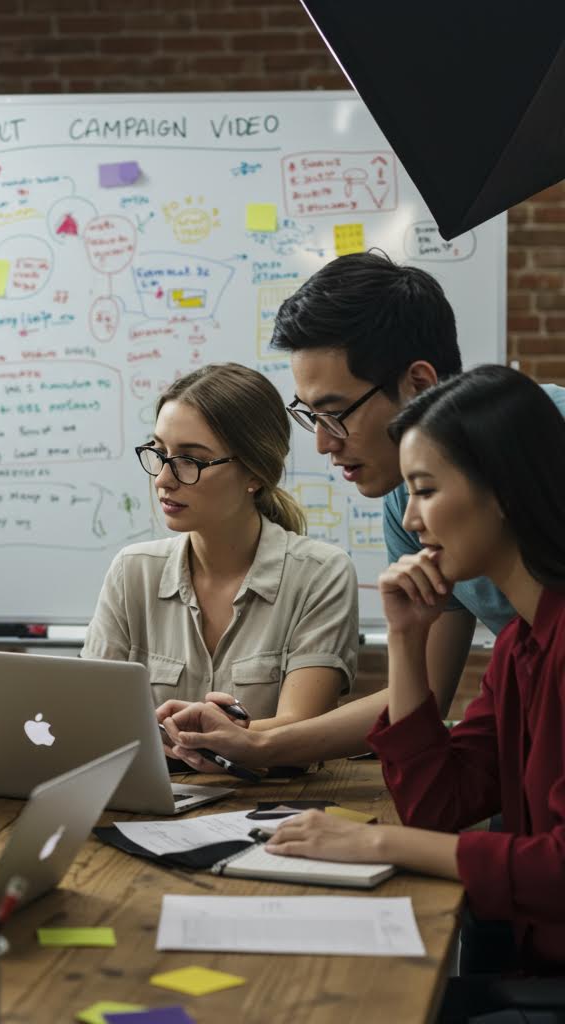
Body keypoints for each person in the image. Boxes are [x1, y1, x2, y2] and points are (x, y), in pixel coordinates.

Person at [158, 253, 565, 769]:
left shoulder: (547, 440)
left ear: (418, 384)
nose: (325, 444)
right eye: (311, 416)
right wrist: (249, 739)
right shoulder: (404, 499)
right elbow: (422, 693)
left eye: (336, 413)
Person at [254, 367, 565, 1013]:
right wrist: (404, 636)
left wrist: (373, 841)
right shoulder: (520, 645)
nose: (412, 518)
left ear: (503, 490)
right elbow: (438, 803)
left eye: (424, 490)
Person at [83, 362, 358, 728]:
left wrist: (192, 735)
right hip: (153, 785)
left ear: (255, 473)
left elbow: (300, 727)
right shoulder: (132, 571)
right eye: (159, 452)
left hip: (276, 788)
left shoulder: (320, 575)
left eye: (191, 460)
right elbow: (89, 714)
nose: (163, 479)